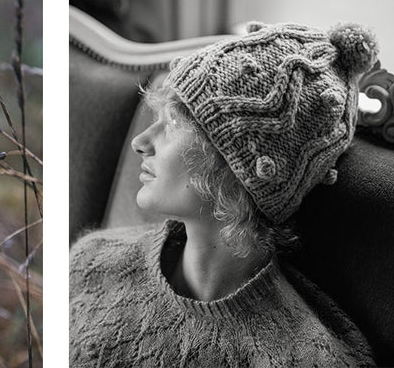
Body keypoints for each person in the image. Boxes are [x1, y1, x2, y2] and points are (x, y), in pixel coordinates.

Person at [69, 21, 377, 366]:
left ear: (236, 167)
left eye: (172, 124)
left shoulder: (306, 357)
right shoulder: (90, 263)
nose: (140, 143)